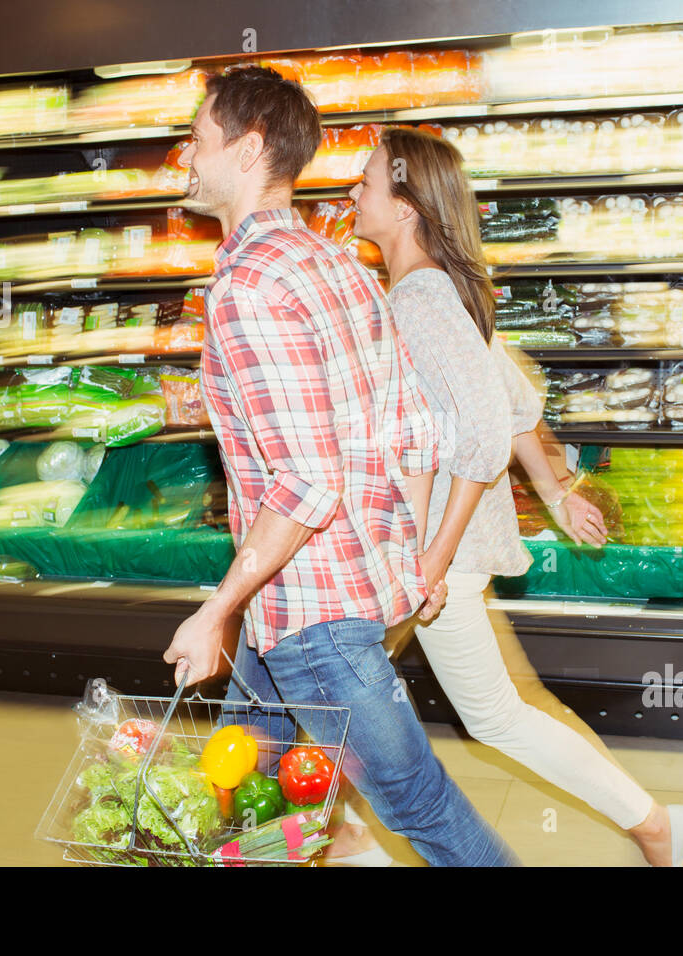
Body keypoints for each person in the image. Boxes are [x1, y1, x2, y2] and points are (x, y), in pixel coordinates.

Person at [160, 67, 518, 867]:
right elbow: (414, 430)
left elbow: (307, 480)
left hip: (312, 619)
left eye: (199, 136)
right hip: (313, 601)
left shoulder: (248, 286)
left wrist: (214, 610)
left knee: (424, 810)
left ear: (248, 149)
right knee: (243, 797)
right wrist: (410, 560)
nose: (187, 152)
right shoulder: (339, 267)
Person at [337, 126, 683, 866]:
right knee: (338, 690)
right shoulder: (428, 287)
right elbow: (513, 395)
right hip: (426, 547)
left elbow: (483, 425)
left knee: (488, 715)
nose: (352, 193)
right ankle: (346, 839)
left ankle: (652, 824)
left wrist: (431, 561)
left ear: (405, 207)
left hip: (439, 551)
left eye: (365, 182)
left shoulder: (422, 299)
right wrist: (556, 490)